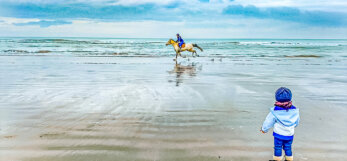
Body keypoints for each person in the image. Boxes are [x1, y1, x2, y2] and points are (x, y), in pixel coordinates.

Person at [261, 87, 300, 161]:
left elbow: (268, 121)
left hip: (278, 134)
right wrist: (294, 125)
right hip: (289, 133)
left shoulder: (275, 111)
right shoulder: (295, 110)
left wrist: (264, 129)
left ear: (276, 98)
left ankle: (277, 160)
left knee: (278, 147)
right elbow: (297, 121)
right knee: (288, 147)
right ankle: (289, 160)